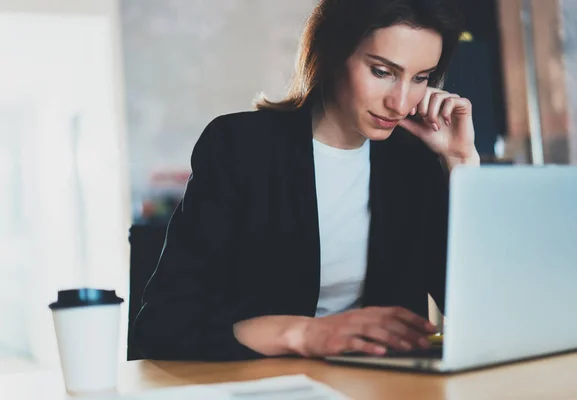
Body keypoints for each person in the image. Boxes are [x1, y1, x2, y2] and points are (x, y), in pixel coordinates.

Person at [133, 0, 479, 362]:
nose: (401, 102)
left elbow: (478, 311)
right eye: (381, 71)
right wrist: (305, 334)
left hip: (385, 386)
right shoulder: (239, 147)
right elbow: (163, 325)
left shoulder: (415, 160)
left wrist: (460, 163)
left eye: (421, 78)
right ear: (333, 54)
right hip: (264, 383)